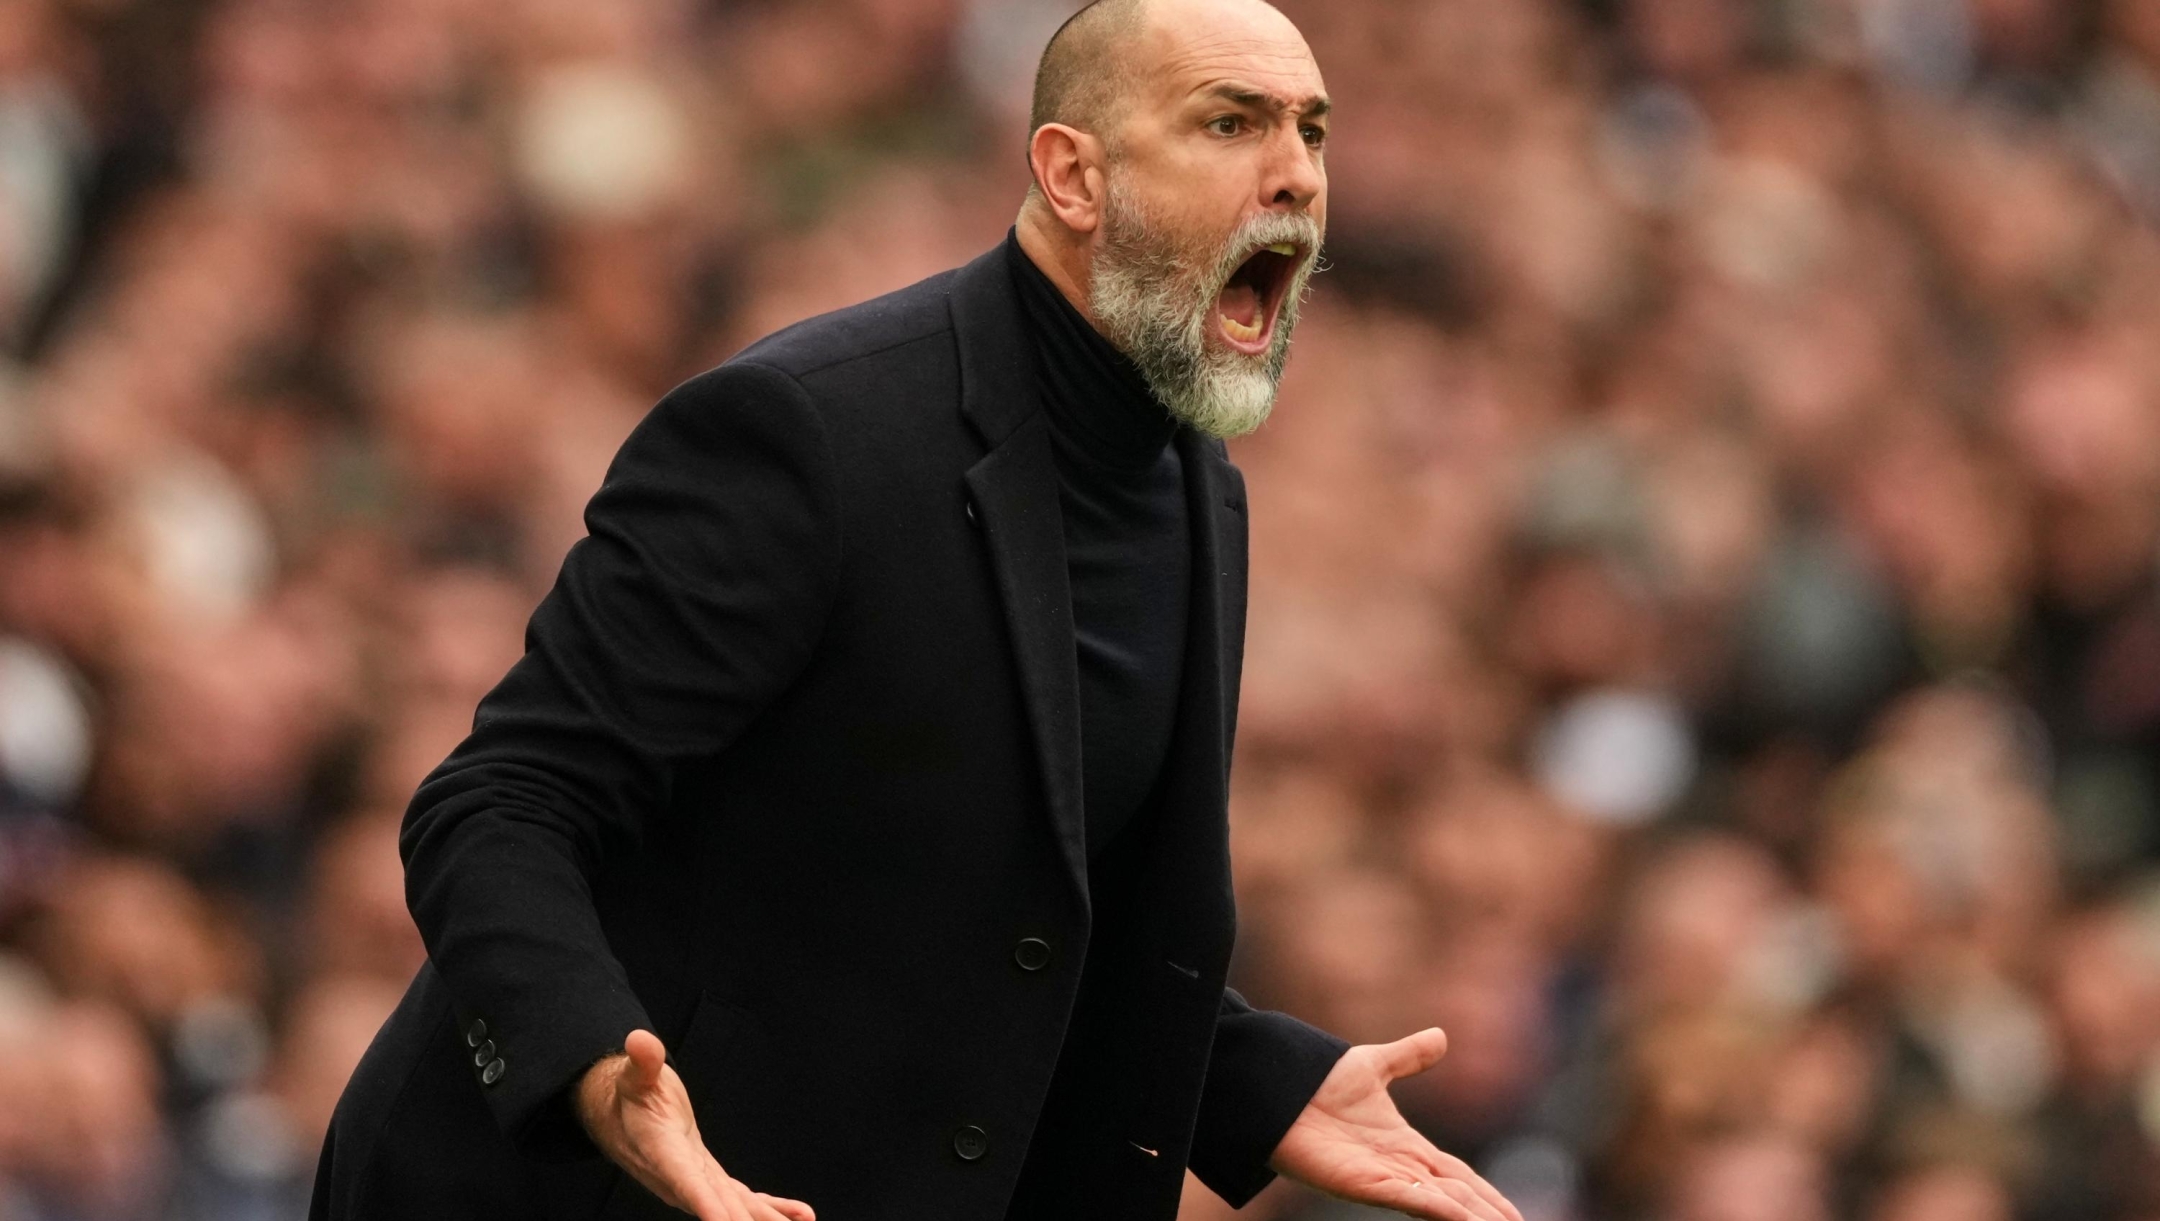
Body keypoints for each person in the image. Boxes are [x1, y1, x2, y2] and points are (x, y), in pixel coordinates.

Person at [309, 1, 1525, 1219]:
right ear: (1072, 175)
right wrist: (587, 1069)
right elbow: (499, 802)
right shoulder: (809, 433)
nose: (1296, 177)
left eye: (1311, 133)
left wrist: (1264, 1086)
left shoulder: (1196, 486)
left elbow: (1023, 915)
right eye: (1231, 123)